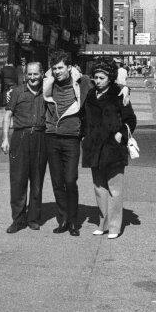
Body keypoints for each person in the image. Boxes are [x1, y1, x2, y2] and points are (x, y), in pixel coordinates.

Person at [81, 60, 137, 239]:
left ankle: (114, 227)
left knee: (115, 189)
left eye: (101, 78)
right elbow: (83, 117)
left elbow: (131, 119)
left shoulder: (119, 93)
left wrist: (121, 134)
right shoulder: (91, 94)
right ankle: (103, 223)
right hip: (93, 147)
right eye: (95, 77)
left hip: (113, 147)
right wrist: (84, 135)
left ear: (110, 78)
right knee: (99, 188)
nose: (97, 81)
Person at [41, 50, 92, 237]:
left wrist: (126, 88)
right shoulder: (47, 83)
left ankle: (73, 221)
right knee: (57, 181)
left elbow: (106, 83)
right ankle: (63, 219)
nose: (57, 72)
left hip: (71, 138)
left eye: (61, 67)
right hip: (52, 136)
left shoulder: (82, 82)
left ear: (69, 67)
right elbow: (25, 87)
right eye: (54, 68)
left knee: (70, 180)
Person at [0, 61, 47, 234]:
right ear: (25, 75)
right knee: (18, 180)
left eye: (36, 74)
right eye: (30, 74)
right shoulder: (17, 92)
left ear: (42, 74)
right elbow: (7, 115)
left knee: (37, 180)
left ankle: (33, 218)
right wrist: (5, 138)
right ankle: (18, 220)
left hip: (41, 138)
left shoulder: (48, 91)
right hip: (20, 137)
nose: (33, 77)